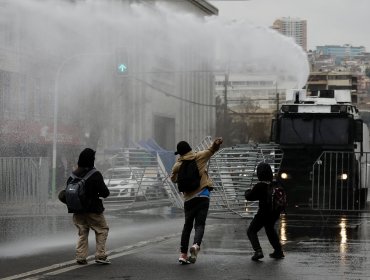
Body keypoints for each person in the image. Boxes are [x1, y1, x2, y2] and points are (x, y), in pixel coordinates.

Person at [171, 137, 223, 264]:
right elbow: (211, 150)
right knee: (199, 225)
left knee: (187, 226)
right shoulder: (199, 156)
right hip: (203, 196)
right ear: (190, 149)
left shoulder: (178, 164)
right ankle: (195, 245)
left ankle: (183, 255)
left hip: (189, 199)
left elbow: (173, 179)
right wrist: (216, 144)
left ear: (180, 153)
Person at [66, 148, 111, 265]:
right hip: (93, 210)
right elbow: (105, 193)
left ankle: (80, 257)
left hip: (77, 209)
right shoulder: (95, 174)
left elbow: (67, 191)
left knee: (83, 231)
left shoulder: (73, 175)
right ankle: (101, 255)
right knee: (102, 230)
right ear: (91, 160)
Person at [244, 162, 284, 261]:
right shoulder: (275, 184)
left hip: (263, 214)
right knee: (270, 230)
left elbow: (250, 197)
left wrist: (247, 191)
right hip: (275, 213)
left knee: (251, 231)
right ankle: (278, 251)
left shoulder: (260, 186)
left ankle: (258, 251)